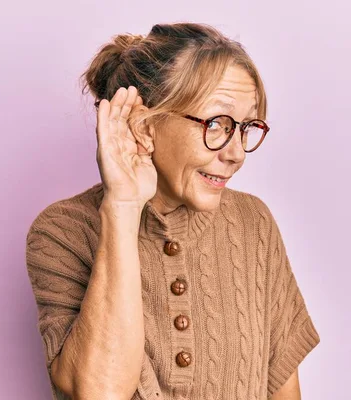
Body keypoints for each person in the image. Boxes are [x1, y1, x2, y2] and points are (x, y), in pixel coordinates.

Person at [26, 22, 320, 400]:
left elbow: (284, 391)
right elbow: (98, 393)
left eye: (246, 127)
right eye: (218, 123)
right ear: (146, 127)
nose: (236, 153)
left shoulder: (253, 224)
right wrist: (122, 207)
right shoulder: (61, 232)